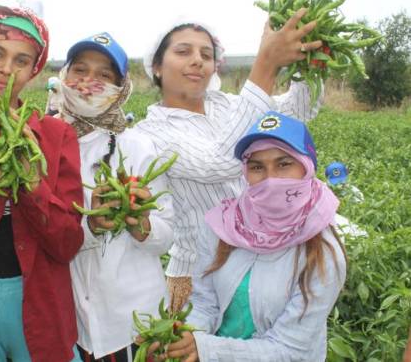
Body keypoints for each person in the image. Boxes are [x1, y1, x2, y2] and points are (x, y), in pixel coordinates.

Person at [135, 11, 325, 311]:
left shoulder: (229, 105)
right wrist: (265, 64)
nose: (197, 60)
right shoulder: (149, 133)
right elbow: (220, 161)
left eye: (206, 54)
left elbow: (296, 113)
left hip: (257, 259)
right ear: (157, 67)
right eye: (183, 51)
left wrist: (308, 64)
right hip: (200, 274)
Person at [144, 111, 346, 361]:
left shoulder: (323, 251)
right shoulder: (225, 226)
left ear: (306, 166)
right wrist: (182, 338)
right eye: (257, 166)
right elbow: (204, 302)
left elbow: (291, 350)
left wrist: (206, 349)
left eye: (284, 164)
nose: (271, 179)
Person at [0, 5, 84, 362]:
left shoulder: (56, 137)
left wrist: (29, 179)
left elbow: (67, 243)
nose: (6, 69)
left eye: (21, 61)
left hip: (42, 310)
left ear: (33, 70)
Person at [52, 32, 174, 361]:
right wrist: (90, 226)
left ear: (121, 88)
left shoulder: (137, 146)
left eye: (105, 75)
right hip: (70, 323)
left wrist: (142, 225)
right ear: (64, 75)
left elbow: (166, 234)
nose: (90, 82)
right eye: (80, 70)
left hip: (134, 322)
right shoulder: (43, 143)